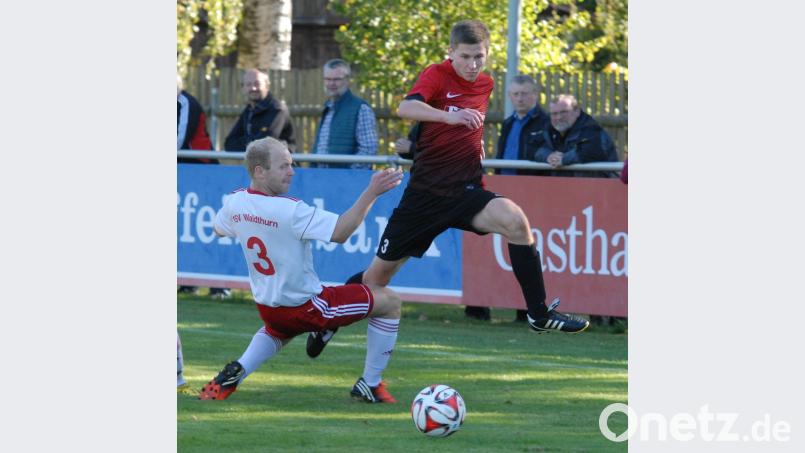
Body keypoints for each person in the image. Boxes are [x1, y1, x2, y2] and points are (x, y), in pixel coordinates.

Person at [305, 20, 588, 357]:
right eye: (465, 56)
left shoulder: (485, 84)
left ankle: (539, 314)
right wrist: (449, 118)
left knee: (516, 222)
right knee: (374, 280)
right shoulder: (436, 75)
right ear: (450, 52)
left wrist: (473, 145)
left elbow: (468, 128)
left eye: (479, 57)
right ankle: (327, 320)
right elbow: (405, 108)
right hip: (424, 198)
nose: (472, 65)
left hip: (465, 191)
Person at [198, 137, 405, 403]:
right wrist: (372, 192)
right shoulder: (290, 210)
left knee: (278, 330)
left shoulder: (235, 202)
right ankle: (370, 384)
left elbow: (218, 228)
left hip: (269, 308)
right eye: (283, 166)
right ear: (260, 171)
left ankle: (233, 374)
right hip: (309, 308)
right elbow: (341, 231)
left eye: (292, 164)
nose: (292, 172)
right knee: (390, 303)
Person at [177, 74, 229, 296]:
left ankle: (220, 284)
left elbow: (180, 139)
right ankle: (189, 280)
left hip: (201, 170)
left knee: (208, 229)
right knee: (184, 228)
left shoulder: (186, 103)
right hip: (181, 175)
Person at [312, 59, 378, 169]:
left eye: (337, 79)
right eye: (328, 79)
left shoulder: (361, 108)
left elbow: (368, 150)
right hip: (321, 177)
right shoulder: (328, 107)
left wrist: (348, 175)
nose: (331, 83)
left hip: (347, 180)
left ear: (347, 80)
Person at [533, 94, 619, 177]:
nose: (559, 117)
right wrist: (549, 156)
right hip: (564, 188)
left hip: (598, 187)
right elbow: (533, 148)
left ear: (577, 112)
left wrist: (563, 159)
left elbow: (591, 151)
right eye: (554, 114)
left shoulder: (591, 128)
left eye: (564, 112)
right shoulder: (549, 130)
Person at [224, 68, 296, 152]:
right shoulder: (249, 111)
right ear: (243, 88)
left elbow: (265, 145)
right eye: (248, 84)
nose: (253, 88)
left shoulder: (278, 109)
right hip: (258, 163)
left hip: (282, 164)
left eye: (257, 83)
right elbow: (229, 144)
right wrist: (252, 142)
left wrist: (246, 141)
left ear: (267, 86)